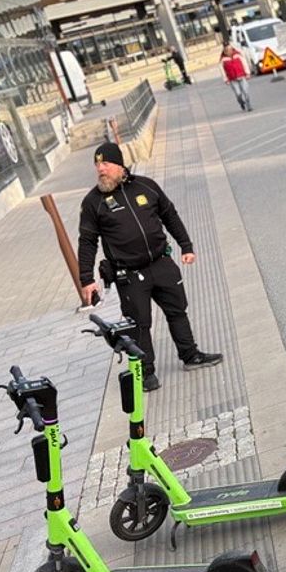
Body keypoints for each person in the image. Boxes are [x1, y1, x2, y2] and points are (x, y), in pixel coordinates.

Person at [77, 142, 223, 392]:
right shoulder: (93, 202)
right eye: (97, 165)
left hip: (161, 263)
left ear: (120, 165)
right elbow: (87, 241)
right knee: (139, 324)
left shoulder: (146, 186)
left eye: (106, 164)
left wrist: (186, 246)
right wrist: (86, 279)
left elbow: (170, 215)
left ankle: (190, 355)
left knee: (178, 311)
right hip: (129, 274)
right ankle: (146, 373)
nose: (100, 169)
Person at [219, 43, 252, 112]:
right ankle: (241, 102)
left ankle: (249, 105)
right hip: (232, 79)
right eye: (227, 50)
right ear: (225, 51)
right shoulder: (223, 60)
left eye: (230, 49)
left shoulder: (238, 55)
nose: (229, 51)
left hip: (242, 76)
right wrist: (226, 79)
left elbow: (244, 64)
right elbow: (222, 71)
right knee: (238, 93)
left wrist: (248, 73)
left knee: (246, 92)